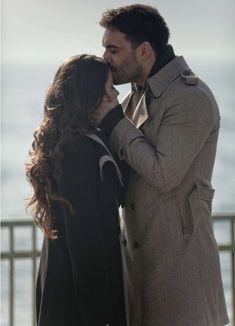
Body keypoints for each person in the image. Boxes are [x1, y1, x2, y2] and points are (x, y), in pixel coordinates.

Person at [96, 4, 229, 326]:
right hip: (139, 269)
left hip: (180, 273)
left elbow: (164, 174)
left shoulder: (189, 97)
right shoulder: (136, 96)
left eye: (113, 49)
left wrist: (113, 119)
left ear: (143, 50)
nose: (105, 59)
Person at [26, 54, 128, 326]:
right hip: (79, 300)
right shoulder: (76, 149)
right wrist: (101, 315)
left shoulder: (77, 140)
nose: (115, 94)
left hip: (68, 285)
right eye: (109, 88)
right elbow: (85, 238)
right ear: (90, 95)